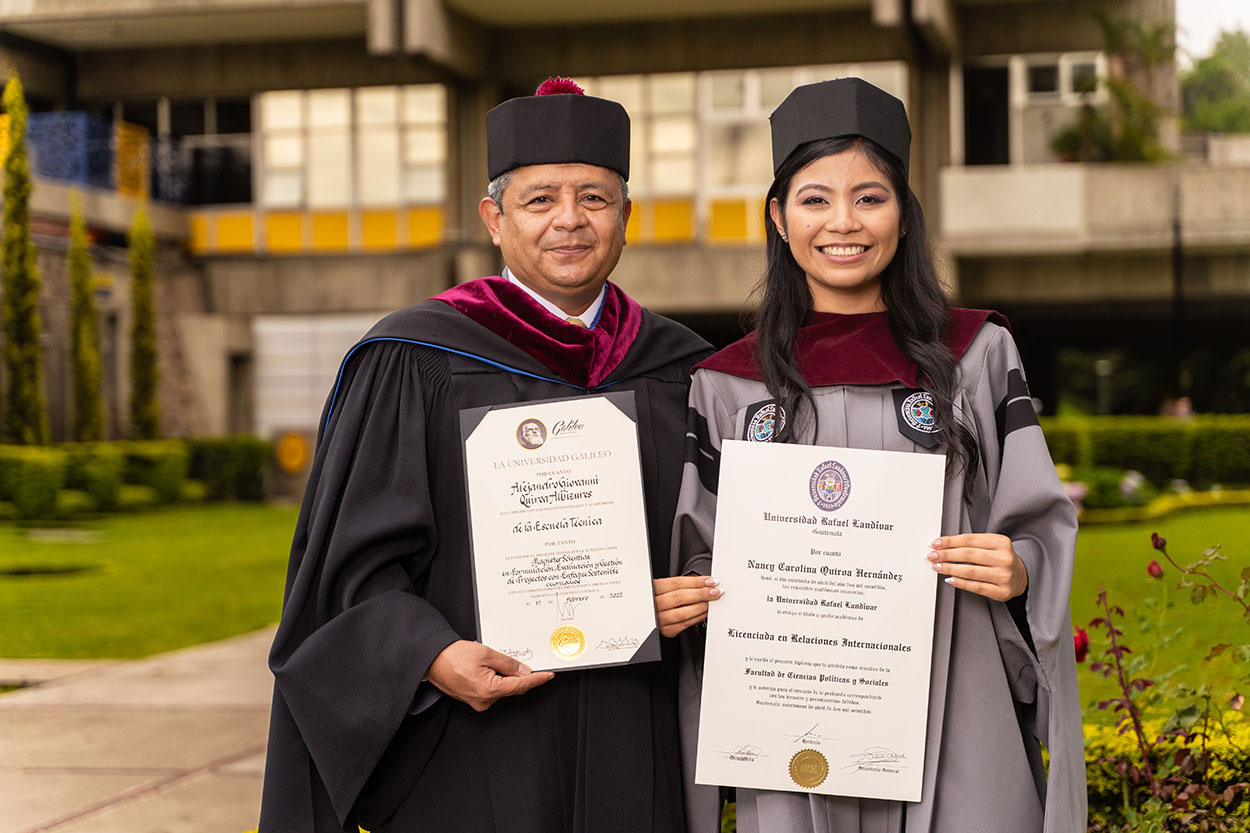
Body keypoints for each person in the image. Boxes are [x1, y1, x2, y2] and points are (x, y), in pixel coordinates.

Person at [259, 77, 714, 833]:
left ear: (627, 218)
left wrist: (697, 587)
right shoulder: (416, 360)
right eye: (540, 200)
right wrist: (430, 655)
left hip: (642, 736)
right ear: (494, 220)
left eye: (594, 198)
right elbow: (347, 570)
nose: (569, 220)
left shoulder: (684, 371)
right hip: (474, 748)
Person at [666, 78, 1085, 833]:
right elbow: (701, 555)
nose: (843, 223)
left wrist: (1019, 565)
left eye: (870, 197)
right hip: (795, 721)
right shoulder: (727, 385)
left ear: (903, 213)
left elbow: (1038, 527)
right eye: (815, 198)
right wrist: (692, 596)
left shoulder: (977, 355)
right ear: (778, 216)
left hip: (962, 712)